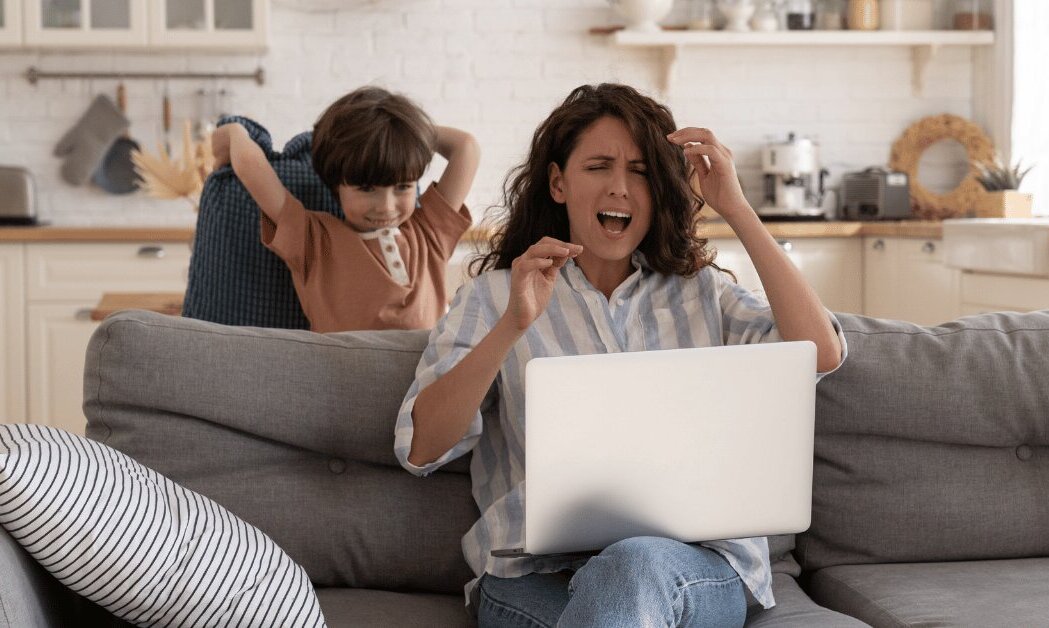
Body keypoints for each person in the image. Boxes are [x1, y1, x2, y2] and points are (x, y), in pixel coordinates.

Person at [393, 83, 847, 627]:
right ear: (558, 183)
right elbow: (421, 447)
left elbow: (818, 354)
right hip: (534, 578)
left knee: (632, 567)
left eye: (640, 171)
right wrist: (513, 326)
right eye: (599, 167)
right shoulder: (494, 298)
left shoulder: (704, 294)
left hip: (688, 566)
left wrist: (737, 208)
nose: (620, 188)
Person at [211, 86, 480, 332]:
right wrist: (235, 132)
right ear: (337, 185)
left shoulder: (429, 234)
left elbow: (466, 148)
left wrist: (401, 132)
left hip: (431, 381)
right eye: (366, 189)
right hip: (344, 381)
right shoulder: (315, 243)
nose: (387, 207)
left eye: (403, 187)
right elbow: (249, 164)